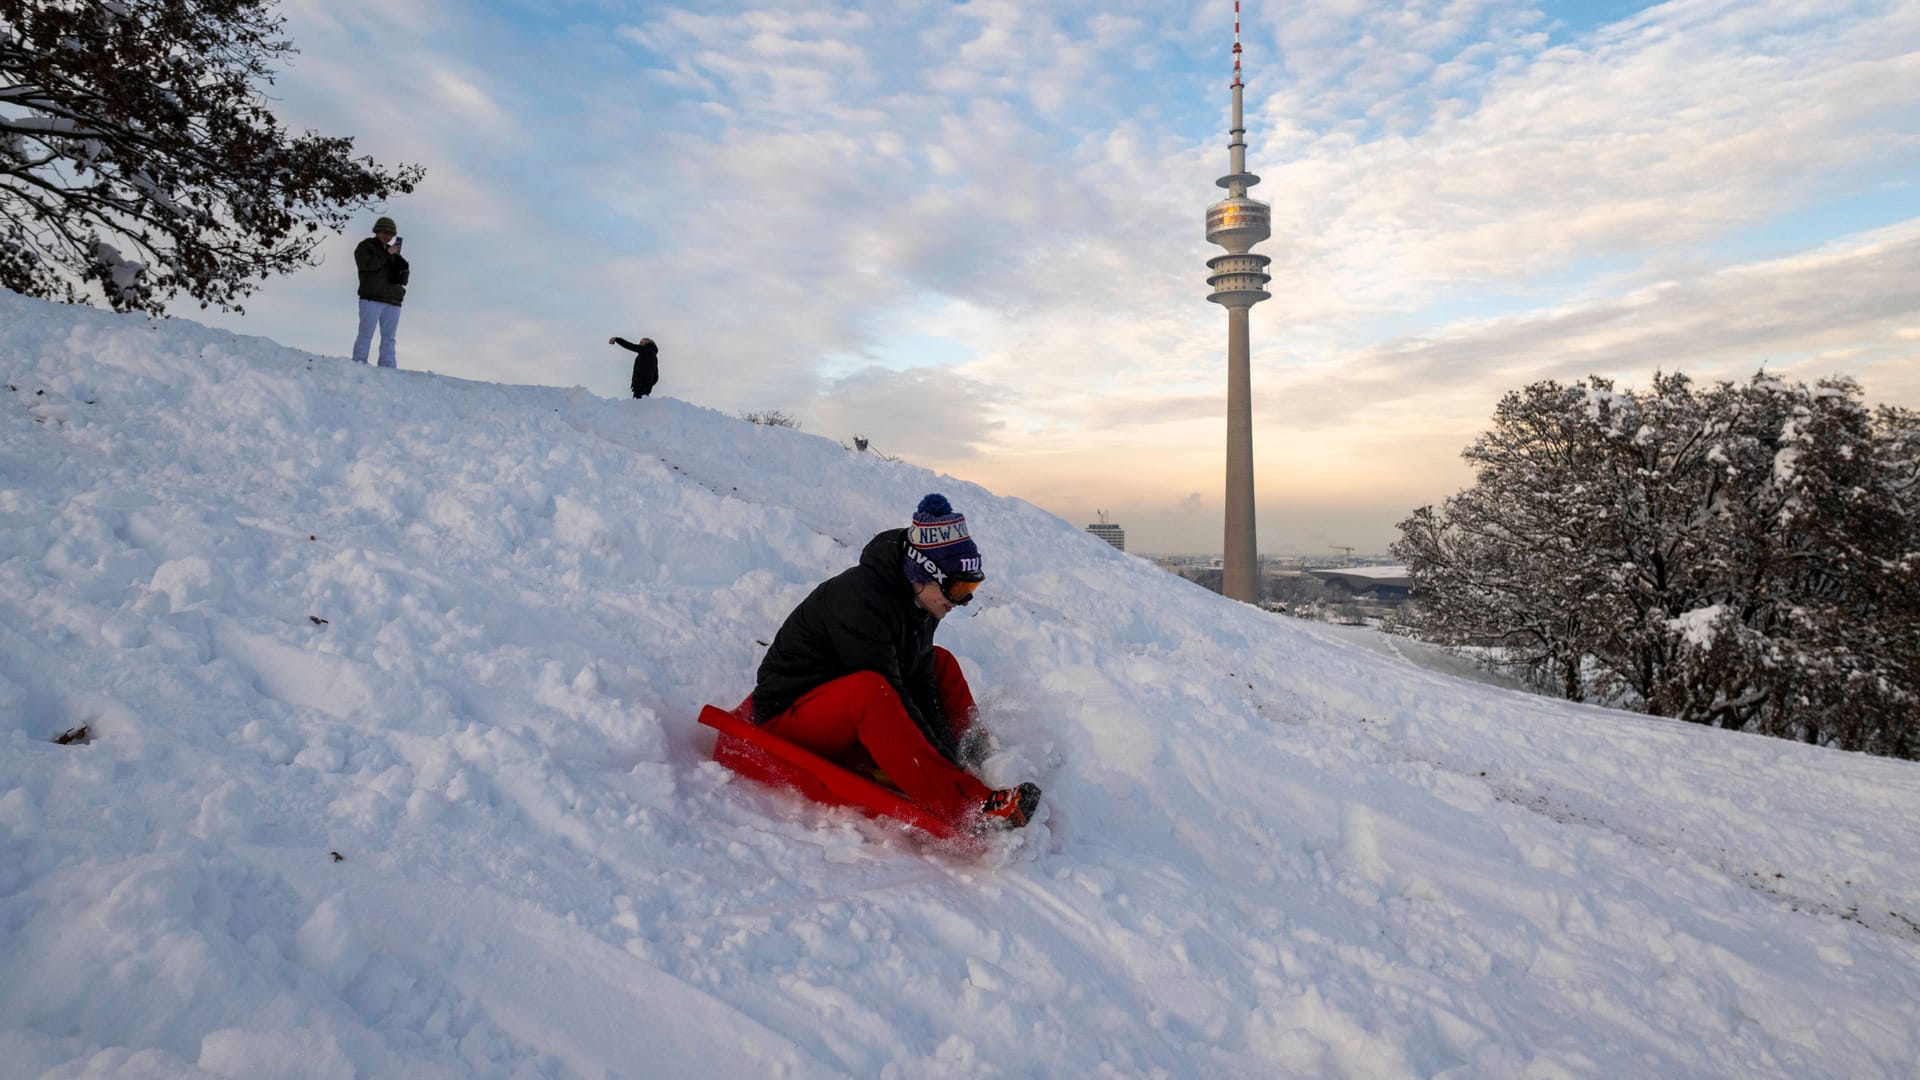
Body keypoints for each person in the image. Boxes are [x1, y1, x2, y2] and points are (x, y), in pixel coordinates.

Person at [751, 494, 1042, 830]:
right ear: (925, 572)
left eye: (971, 587)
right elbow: (892, 694)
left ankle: (979, 756)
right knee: (871, 691)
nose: (962, 601)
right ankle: (970, 807)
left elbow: (921, 680)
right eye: (959, 588)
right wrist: (943, 769)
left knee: (939, 663)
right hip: (788, 714)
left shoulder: (921, 599)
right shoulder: (863, 601)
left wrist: (950, 754)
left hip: (837, 701)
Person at [351, 216, 410, 368]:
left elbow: (403, 278)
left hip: (393, 300)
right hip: (371, 298)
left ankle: (388, 366)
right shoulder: (366, 246)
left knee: (389, 337)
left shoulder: (393, 252)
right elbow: (366, 265)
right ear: (377, 231)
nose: (387, 236)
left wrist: (401, 266)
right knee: (366, 333)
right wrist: (387, 254)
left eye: (390, 233)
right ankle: (359, 363)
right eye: (384, 232)